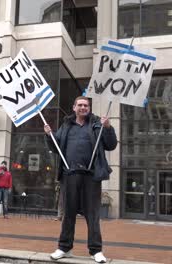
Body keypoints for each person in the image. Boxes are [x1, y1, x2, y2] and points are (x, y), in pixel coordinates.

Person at [44, 96, 117, 263]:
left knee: (93, 215)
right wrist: (49, 135)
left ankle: (96, 250)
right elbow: (56, 147)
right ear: (74, 107)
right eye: (80, 105)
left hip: (91, 176)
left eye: (86, 105)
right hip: (70, 175)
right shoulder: (66, 125)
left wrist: (108, 128)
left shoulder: (97, 124)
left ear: (89, 108)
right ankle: (64, 247)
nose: (83, 107)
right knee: (68, 213)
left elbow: (111, 145)